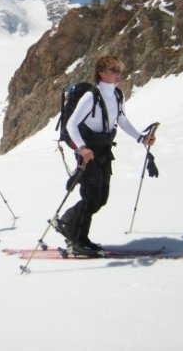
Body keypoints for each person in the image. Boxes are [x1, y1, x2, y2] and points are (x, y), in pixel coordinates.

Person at [57, 55, 156, 257]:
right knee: (91, 196)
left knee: (100, 198)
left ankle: (67, 222)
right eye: (113, 70)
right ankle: (78, 241)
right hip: (89, 152)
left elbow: (121, 120)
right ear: (101, 73)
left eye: (119, 69)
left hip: (103, 151)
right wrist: (82, 149)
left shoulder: (117, 95)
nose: (118, 73)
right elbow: (71, 125)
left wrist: (141, 138)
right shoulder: (91, 96)